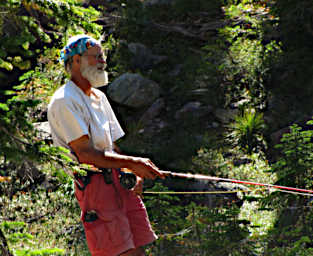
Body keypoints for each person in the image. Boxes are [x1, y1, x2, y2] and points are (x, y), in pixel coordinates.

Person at [47, 34, 164, 256]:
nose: (102, 62)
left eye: (102, 56)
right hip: (95, 187)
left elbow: (112, 146)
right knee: (118, 252)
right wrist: (133, 163)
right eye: (95, 57)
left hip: (119, 181)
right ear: (75, 61)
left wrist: (131, 171)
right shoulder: (65, 100)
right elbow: (85, 154)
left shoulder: (99, 97)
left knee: (137, 250)